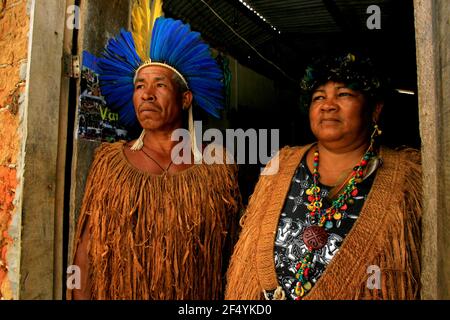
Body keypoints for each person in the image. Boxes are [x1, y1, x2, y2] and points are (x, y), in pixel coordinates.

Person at [69, 1, 241, 300]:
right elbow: (86, 247)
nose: (146, 95)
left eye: (159, 85)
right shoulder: (110, 164)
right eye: (139, 86)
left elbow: (234, 254)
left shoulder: (218, 167)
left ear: (186, 98)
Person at [225, 53, 422, 300]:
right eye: (319, 96)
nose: (328, 104)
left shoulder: (408, 179)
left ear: (375, 109)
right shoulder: (281, 163)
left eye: (343, 94)